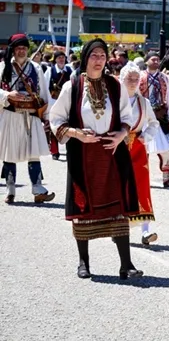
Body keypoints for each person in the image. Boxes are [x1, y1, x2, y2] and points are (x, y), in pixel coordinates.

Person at [49, 39, 143, 280]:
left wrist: (121, 134)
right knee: (83, 206)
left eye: (102, 55)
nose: (99, 60)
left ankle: (126, 264)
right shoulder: (73, 86)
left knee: (118, 205)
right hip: (83, 155)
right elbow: (56, 119)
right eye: (94, 55)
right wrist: (77, 133)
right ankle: (83, 262)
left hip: (112, 153)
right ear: (86, 58)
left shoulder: (115, 85)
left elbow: (127, 116)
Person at [0, 33, 54, 204]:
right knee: (9, 153)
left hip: (31, 115)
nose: (21, 51)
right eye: (18, 48)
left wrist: (46, 117)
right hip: (10, 114)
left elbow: (43, 92)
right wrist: (8, 94)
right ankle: (10, 190)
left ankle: (38, 190)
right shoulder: (3, 67)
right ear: (13, 50)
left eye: (24, 48)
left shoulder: (36, 68)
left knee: (34, 153)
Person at [120, 62, 160, 245]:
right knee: (119, 186)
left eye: (136, 79)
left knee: (141, 186)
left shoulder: (144, 102)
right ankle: (120, 227)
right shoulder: (113, 101)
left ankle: (145, 230)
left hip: (137, 147)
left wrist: (145, 137)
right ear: (122, 79)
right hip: (117, 146)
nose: (133, 82)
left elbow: (154, 123)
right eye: (130, 78)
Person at [139, 52, 169, 188]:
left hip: (160, 116)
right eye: (153, 59)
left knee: (165, 148)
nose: (156, 61)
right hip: (143, 116)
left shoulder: (164, 78)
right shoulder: (140, 77)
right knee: (143, 148)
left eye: (157, 59)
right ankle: (141, 177)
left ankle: (166, 178)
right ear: (146, 61)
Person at [45, 50, 73, 160]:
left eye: (63, 57)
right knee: (54, 127)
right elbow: (45, 87)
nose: (61, 60)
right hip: (54, 102)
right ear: (55, 60)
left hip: (67, 102)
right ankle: (54, 151)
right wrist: (48, 104)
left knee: (68, 126)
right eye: (59, 58)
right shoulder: (50, 71)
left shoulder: (70, 70)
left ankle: (69, 150)